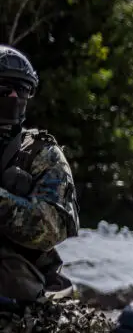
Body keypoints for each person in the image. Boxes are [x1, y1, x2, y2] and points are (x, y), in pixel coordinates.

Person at [0, 45, 79, 302]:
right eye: (4, 87)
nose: (13, 96)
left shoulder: (40, 152)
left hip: (18, 271)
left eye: (22, 90)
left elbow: (51, 226)